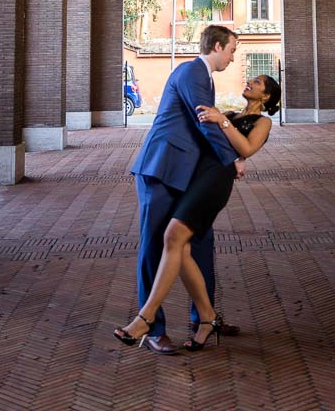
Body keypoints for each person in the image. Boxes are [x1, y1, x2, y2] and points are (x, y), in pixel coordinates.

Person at [116, 69, 281, 352]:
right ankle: (207, 317)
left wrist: (223, 126)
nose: (249, 82)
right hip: (196, 177)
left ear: (265, 96)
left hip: (215, 181)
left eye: (256, 83)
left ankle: (146, 317)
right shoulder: (230, 113)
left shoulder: (262, 122)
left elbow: (248, 148)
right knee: (184, 249)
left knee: (173, 237)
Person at [126, 25, 241, 353]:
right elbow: (205, 120)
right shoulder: (192, 72)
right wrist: (232, 158)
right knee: (153, 248)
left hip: (186, 176)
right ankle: (152, 329)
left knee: (202, 243)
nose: (233, 58)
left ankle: (205, 317)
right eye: (232, 50)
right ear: (217, 46)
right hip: (160, 171)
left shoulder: (202, 76)